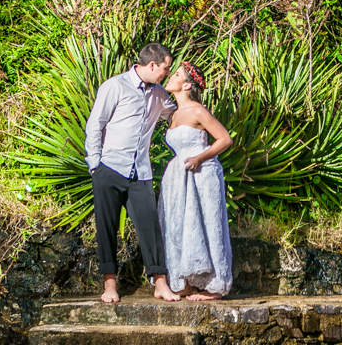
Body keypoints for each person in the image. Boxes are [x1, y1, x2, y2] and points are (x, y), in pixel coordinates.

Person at [84, 43, 181, 303]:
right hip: (109, 169)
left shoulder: (159, 93)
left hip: (140, 171)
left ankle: (160, 283)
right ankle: (110, 285)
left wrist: (192, 105)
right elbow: (95, 125)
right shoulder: (114, 86)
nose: (166, 73)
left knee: (150, 226)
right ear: (152, 65)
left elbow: (173, 114)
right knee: (107, 227)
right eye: (165, 68)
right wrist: (95, 165)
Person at [159, 61, 234, 300]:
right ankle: (187, 283)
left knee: (208, 225)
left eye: (177, 75)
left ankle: (214, 287)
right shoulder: (173, 112)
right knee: (181, 225)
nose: (171, 77)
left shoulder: (198, 110)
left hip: (202, 173)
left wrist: (199, 157)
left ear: (187, 85)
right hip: (178, 178)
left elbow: (224, 139)